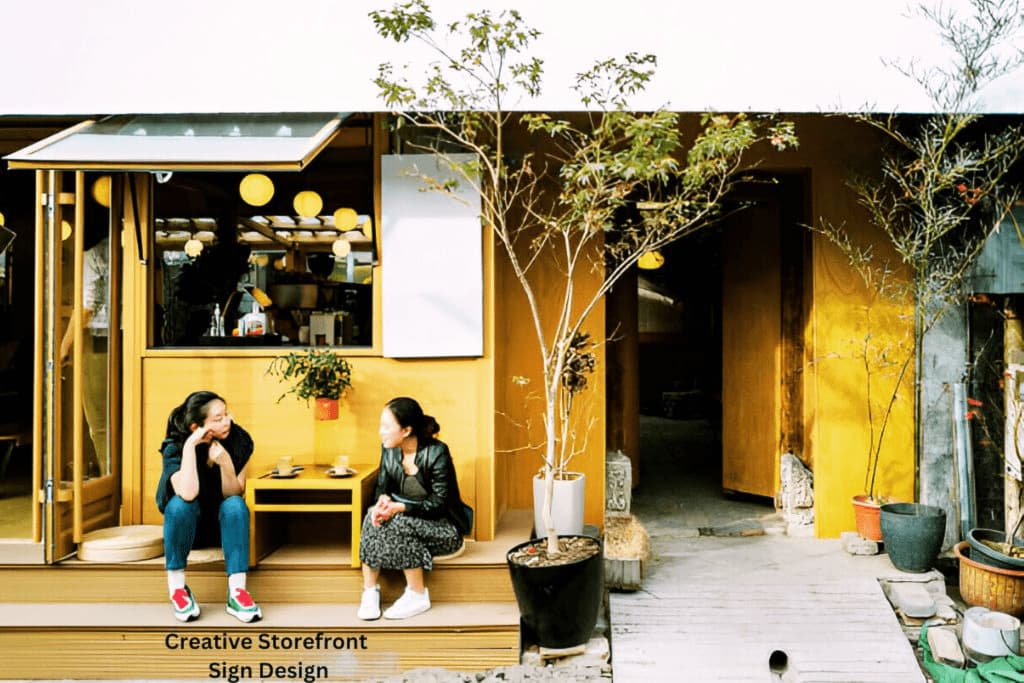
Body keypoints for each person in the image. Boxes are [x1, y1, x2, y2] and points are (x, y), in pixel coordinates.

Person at [357, 397, 472, 620]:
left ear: (407, 430)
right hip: (409, 522)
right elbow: (384, 486)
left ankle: (417, 593)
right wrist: (382, 501)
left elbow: (439, 504)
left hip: (444, 528)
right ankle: (370, 591)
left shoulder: (437, 452)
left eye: (386, 426)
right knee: (373, 515)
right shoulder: (389, 450)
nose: (381, 432)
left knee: (398, 522)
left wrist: (400, 507)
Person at [155, 390, 262, 623]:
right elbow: (188, 492)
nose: (227, 421)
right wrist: (190, 447)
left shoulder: (238, 439)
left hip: (223, 531)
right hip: (188, 531)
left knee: (235, 505)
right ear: (197, 427)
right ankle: (178, 590)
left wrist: (225, 462)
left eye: (226, 414)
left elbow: (234, 491)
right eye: (218, 418)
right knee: (179, 506)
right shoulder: (175, 445)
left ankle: (237, 592)